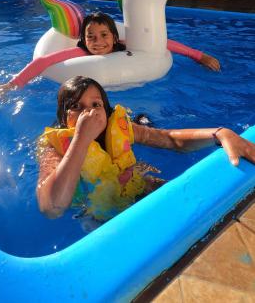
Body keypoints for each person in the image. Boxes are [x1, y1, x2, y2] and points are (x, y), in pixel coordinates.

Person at [36, 76, 255, 221]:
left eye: (96, 105)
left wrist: (218, 134)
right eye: (76, 107)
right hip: (100, 214)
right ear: (63, 118)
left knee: (196, 206)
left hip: (138, 186)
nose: (89, 114)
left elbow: (169, 139)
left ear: (107, 110)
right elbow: (51, 207)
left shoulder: (121, 127)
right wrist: (81, 139)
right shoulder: (53, 148)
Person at [0, 12, 220, 101]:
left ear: (115, 37)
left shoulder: (126, 45)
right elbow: (43, 62)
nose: (98, 42)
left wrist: (198, 56)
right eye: (91, 37)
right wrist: (11, 86)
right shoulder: (79, 52)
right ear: (83, 40)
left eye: (104, 35)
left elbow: (163, 43)